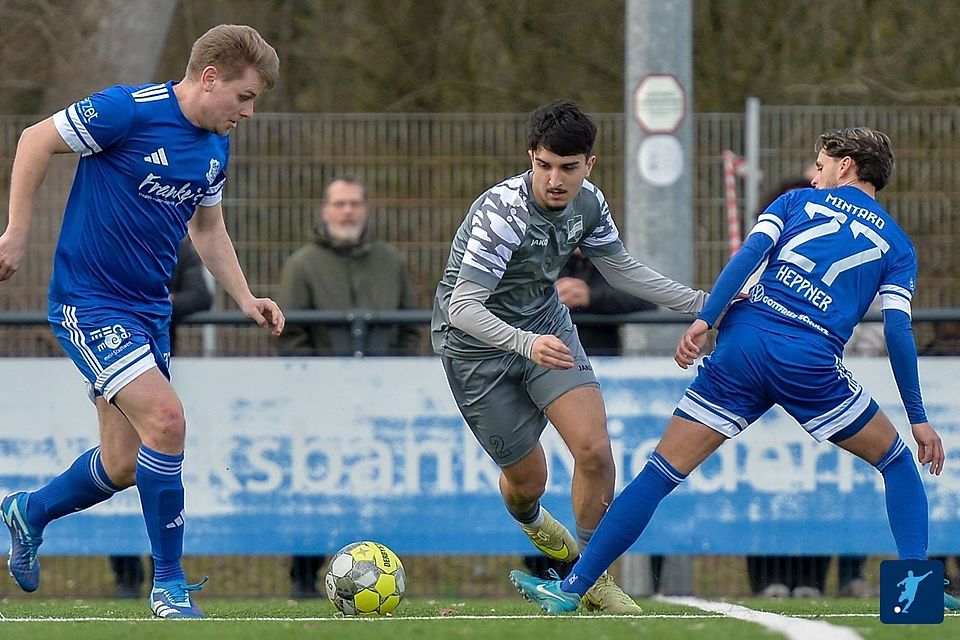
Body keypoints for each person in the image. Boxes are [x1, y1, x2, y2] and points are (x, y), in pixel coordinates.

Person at [509, 127, 955, 613]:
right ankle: (916, 597)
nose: (819, 170)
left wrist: (705, 320)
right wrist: (917, 418)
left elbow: (746, 258)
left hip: (743, 343)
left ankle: (572, 589)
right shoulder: (898, 245)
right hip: (807, 359)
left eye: (823, 161)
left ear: (846, 165)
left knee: (658, 474)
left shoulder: (795, 202)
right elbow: (898, 332)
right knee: (895, 461)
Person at [0, 25, 284, 618]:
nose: (249, 112)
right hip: (91, 301)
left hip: (149, 309)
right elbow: (33, 140)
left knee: (125, 462)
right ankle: (170, 585)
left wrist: (244, 296)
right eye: (245, 97)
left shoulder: (215, 143)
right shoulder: (125, 111)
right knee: (169, 419)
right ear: (210, 78)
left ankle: (29, 511)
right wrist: (16, 235)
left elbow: (206, 229)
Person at [431, 100, 707, 613]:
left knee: (596, 452)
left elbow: (621, 270)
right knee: (527, 484)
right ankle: (535, 523)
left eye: (568, 168)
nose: (555, 180)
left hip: (545, 328)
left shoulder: (590, 204)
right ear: (531, 156)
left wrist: (700, 304)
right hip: (475, 349)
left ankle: (589, 577)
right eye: (545, 165)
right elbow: (463, 307)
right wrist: (524, 343)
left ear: (589, 165)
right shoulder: (503, 213)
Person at [276, 175, 420, 598]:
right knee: (315, 488)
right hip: (320, 406)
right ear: (325, 209)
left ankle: (379, 572)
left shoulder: (389, 260)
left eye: (355, 203)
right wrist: (322, 385)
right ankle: (303, 577)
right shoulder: (300, 265)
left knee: (378, 489)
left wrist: (392, 378)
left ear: (366, 208)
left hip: (381, 403)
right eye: (339, 204)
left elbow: (410, 326)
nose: (347, 211)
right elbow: (290, 336)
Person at [109, 237, 213, 600]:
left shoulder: (177, 242)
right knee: (121, 468)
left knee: (145, 462)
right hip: (114, 358)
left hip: (160, 365)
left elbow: (202, 296)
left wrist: (157, 305)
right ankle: (126, 576)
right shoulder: (111, 231)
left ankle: (164, 575)